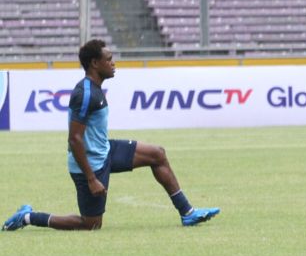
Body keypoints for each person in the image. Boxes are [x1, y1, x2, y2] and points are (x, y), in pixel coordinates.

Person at [3, 39, 220, 232]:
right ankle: (29, 217)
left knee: (157, 154)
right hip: (89, 165)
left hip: (105, 151)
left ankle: (187, 213)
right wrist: (91, 179)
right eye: (109, 59)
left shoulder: (96, 89)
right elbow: (74, 139)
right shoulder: (85, 94)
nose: (113, 63)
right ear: (95, 64)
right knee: (91, 224)